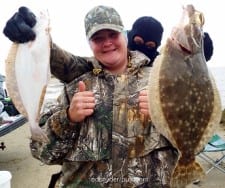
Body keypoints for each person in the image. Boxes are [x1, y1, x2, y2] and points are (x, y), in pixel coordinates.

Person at [3, 5, 178, 187]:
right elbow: (43, 153)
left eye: (113, 35)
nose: (107, 42)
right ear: (90, 44)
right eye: (98, 38)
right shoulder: (76, 86)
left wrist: (163, 117)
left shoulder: (162, 80)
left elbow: (192, 143)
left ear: (125, 35)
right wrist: (68, 118)